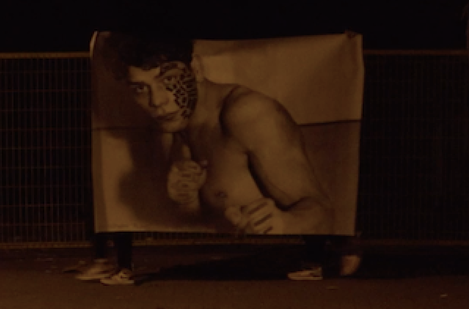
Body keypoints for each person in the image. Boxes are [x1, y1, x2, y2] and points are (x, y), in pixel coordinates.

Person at [98, 32, 359, 283]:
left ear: (196, 70)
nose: (157, 101)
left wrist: (287, 221)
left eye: (168, 81)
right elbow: (200, 215)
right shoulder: (174, 124)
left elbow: (319, 207)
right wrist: (184, 200)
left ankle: (329, 255)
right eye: (140, 88)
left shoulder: (248, 115)